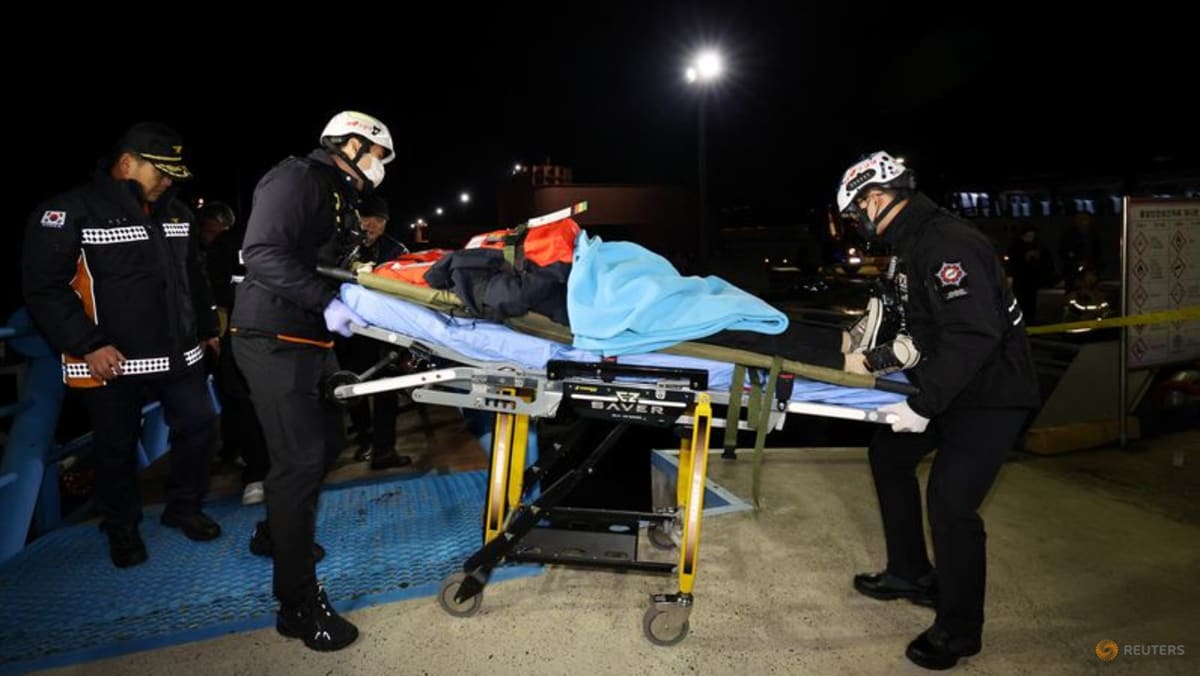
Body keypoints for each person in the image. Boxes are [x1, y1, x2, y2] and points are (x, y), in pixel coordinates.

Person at [834, 151, 1040, 670]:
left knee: (950, 504)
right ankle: (909, 571)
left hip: (993, 394)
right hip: (952, 383)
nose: (859, 226)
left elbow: (974, 334)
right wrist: (872, 359)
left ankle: (958, 630)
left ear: (876, 199)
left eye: (857, 214)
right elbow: (922, 333)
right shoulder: (912, 247)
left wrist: (924, 404)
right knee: (890, 456)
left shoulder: (949, 243)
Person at [230, 110, 395, 652]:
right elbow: (261, 252)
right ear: (349, 143)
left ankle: (277, 534)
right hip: (274, 336)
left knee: (327, 444)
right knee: (298, 463)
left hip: (311, 340)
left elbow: (325, 260)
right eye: (378, 154)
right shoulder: (298, 178)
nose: (380, 166)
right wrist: (327, 303)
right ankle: (297, 606)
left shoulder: (339, 194)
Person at [22, 122, 222, 568]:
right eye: (162, 171)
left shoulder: (178, 214)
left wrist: (207, 324)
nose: (169, 181)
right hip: (110, 360)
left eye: (174, 174)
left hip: (179, 354)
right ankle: (121, 527)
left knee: (201, 425)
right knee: (115, 448)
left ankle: (185, 507)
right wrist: (88, 343)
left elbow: (195, 277)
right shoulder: (68, 212)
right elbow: (44, 288)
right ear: (127, 163)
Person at [197, 201, 271, 504]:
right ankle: (255, 474)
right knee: (242, 402)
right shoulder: (224, 247)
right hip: (239, 335)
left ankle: (289, 468)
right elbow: (209, 288)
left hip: (284, 334)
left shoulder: (294, 237)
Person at [338, 193, 413, 469]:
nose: (371, 225)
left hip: (384, 332)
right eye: (365, 218)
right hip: (347, 330)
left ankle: (384, 450)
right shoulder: (340, 247)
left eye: (378, 220)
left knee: (387, 390)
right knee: (353, 387)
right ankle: (365, 440)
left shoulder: (397, 250)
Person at [1005, 222, 1055, 325]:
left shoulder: (1038, 245)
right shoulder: (1016, 246)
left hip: (1032, 278)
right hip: (1021, 279)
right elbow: (1013, 261)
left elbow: (1046, 260)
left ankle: (1030, 318)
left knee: (1031, 300)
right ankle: (1021, 320)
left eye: (1032, 236)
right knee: (1021, 300)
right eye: (1028, 236)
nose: (1030, 238)